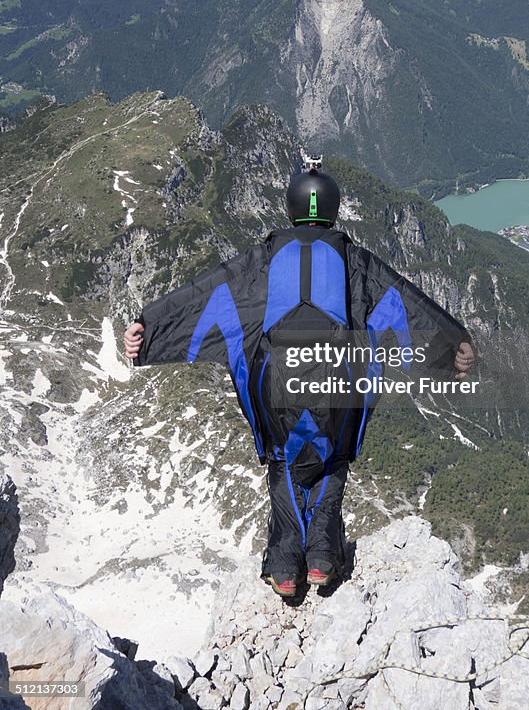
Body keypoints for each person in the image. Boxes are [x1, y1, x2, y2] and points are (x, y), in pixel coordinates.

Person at [123, 160, 475, 598]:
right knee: (332, 461)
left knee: (284, 462)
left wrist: (147, 329)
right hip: (336, 380)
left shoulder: (262, 261)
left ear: (291, 207)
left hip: (278, 383)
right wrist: (452, 347)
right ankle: (323, 559)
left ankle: (286, 567)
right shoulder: (353, 261)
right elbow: (401, 302)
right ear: (333, 208)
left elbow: (204, 295)